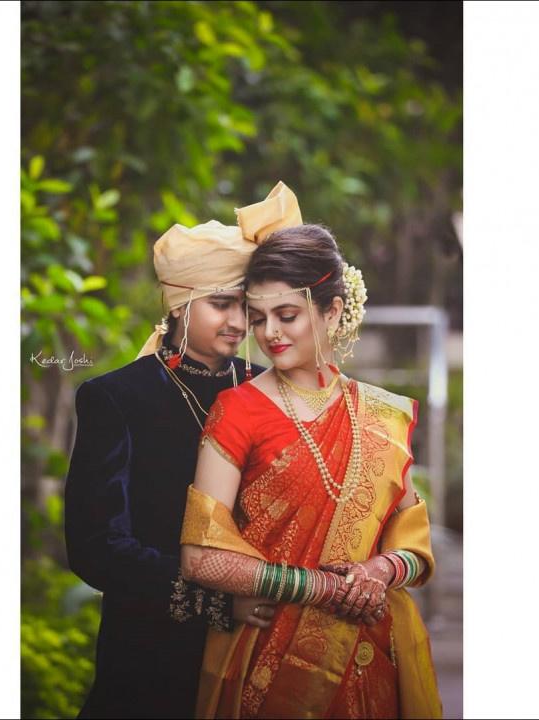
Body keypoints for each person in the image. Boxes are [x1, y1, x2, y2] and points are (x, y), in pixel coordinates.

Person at [180, 223, 443, 719]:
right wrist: (323, 588)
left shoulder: (383, 417)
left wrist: (380, 571)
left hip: (372, 655)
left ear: (332, 311)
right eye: (258, 318)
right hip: (272, 657)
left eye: (286, 315)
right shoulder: (235, 410)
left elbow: (414, 547)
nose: (269, 333)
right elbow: (200, 556)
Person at [64, 182, 304, 718]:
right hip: (151, 658)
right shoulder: (116, 398)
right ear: (180, 305)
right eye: (222, 305)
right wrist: (219, 602)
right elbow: (95, 547)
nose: (240, 323)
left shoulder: (273, 391)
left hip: (261, 653)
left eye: (247, 306)